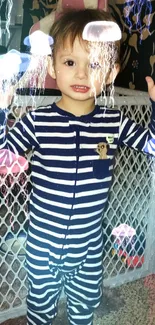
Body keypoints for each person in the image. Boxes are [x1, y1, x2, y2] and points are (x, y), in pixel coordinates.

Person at [0, 8, 155, 325]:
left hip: (88, 249)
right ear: (53, 66)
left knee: (83, 311)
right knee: (40, 311)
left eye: (94, 64)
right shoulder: (37, 122)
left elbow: (151, 145)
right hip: (42, 246)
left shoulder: (113, 122)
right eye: (70, 62)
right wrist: (2, 109)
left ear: (111, 74)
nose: (82, 74)